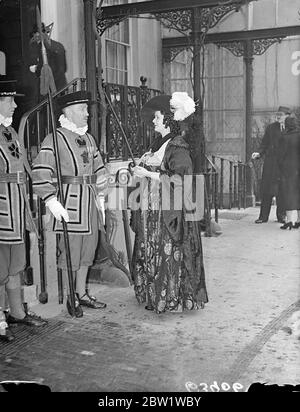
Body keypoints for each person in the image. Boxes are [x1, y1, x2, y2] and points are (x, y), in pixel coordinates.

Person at [32, 91, 108, 317]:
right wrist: (51, 200)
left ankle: (81, 292)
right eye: (82, 109)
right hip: (70, 204)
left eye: (86, 108)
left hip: (90, 201)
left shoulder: (89, 138)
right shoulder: (53, 139)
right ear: (68, 112)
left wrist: (102, 196)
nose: (87, 113)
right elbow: (41, 171)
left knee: (88, 250)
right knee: (70, 252)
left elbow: (100, 168)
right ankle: (70, 297)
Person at [131, 92, 208, 314]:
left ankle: (170, 297)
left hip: (169, 209)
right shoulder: (160, 143)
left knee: (168, 248)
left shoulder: (177, 145)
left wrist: (148, 172)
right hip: (154, 207)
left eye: (157, 118)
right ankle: (153, 293)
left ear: (167, 119)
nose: (153, 122)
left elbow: (179, 178)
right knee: (152, 247)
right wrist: (141, 170)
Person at [0, 79, 47, 343]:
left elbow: (23, 168)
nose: (15, 105)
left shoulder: (10, 133)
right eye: (9, 101)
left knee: (16, 266)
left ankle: (17, 312)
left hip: (17, 211)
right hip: (1, 212)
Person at [252, 106, 291, 224]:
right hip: (271, 163)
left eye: (281, 114)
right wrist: (258, 153)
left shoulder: (292, 129)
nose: (278, 116)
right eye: (277, 114)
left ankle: (281, 216)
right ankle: (263, 217)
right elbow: (264, 144)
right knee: (267, 190)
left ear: (287, 116)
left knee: (283, 190)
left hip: (285, 164)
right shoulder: (271, 128)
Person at [29, 23, 67, 96]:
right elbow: (64, 68)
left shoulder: (43, 48)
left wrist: (36, 69)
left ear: (37, 34)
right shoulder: (59, 45)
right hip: (61, 86)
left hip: (50, 87)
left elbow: (42, 67)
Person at [278, 116, 300, 230]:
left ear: (286, 125)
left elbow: (280, 155)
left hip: (287, 170)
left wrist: (280, 166)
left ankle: (289, 221)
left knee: (288, 194)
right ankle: (298, 220)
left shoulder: (284, 137)